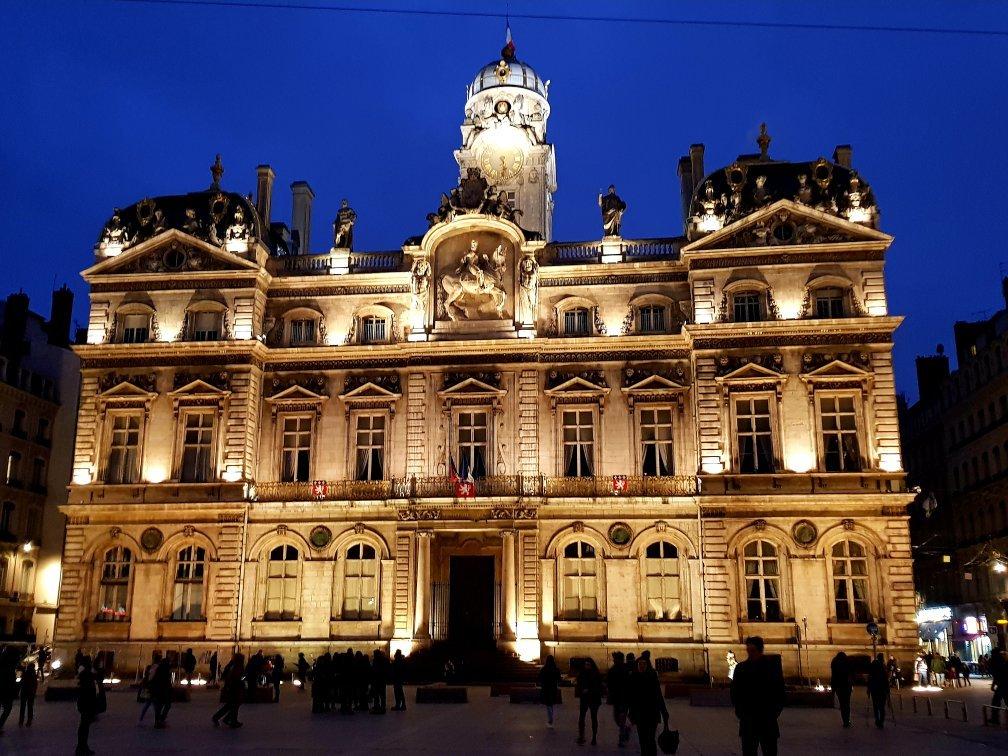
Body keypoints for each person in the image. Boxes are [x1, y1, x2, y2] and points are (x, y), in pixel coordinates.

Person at [730, 636, 784, 756]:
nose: (750, 653)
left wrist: (775, 711)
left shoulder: (771, 668)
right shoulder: (741, 668)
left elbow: (779, 691)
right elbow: (734, 692)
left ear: (760, 650)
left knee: (769, 751)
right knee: (749, 751)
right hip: (748, 719)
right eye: (748, 650)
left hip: (767, 718)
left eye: (752, 650)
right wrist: (740, 711)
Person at [628, 655, 669, 756]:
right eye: (639, 664)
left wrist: (664, 712)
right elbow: (631, 698)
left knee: (650, 739)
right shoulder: (634, 677)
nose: (641, 666)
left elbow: (658, 696)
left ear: (647, 665)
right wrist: (630, 713)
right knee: (642, 740)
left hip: (651, 713)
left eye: (644, 664)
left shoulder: (652, 677)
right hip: (639, 714)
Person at [212, 652, 245, 728]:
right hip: (235, 689)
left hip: (233, 688)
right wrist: (242, 681)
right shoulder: (237, 667)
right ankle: (231, 721)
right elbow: (236, 678)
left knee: (231, 705)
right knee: (234, 704)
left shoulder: (234, 666)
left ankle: (225, 719)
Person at [575, 658, 603, 745]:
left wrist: (588, 690)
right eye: (586, 664)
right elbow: (578, 685)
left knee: (593, 718)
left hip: (593, 698)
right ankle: (581, 736)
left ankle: (593, 737)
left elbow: (598, 686)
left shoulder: (594, 674)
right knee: (582, 717)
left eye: (588, 665)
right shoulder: (583, 674)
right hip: (586, 698)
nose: (587, 666)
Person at [76, 654, 99, 756]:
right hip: (87, 704)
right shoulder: (87, 675)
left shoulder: (85, 674)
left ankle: (82, 747)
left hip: (84, 704)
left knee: (84, 727)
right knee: (84, 727)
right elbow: (90, 691)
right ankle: (82, 748)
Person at [606, 651, 630, 747]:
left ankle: (621, 738)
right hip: (616, 697)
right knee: (616, 718)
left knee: (621, 717)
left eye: (615, 658)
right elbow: (609, 683)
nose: (614, 660)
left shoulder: (626, 669)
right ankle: (625, 729)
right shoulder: (612, 670)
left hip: (624, 697)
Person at [829, 652, 852, 728]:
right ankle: (847, 720)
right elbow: (850, 675)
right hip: (846, 686)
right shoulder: (847, 661)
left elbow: (833, 676)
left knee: (842, 704)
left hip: (839, 686)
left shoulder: (835, 662)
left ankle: (845, 721)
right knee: (847, 704)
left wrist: (833, 688)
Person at [150, 654, 173, 728]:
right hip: (163, 691)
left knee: (158, 707)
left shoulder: (158, 669)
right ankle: (160, 721)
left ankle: (158, 722)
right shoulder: (165, 671)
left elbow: (152, 679)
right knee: (166, 705)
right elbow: (167, 682)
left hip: (156, 691)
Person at [539, 655, 562, 727]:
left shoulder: (543, 669)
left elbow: (540, 678)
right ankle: (550, 719)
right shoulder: (556, 669)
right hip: (553, 688)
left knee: (548, 704)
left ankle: (550, 720)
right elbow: (559, 679)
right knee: (551, 704)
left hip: (546, 688)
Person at [867, 653, 889, 728]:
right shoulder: (883, 666)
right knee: (882, 706)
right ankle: (881, 721)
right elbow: (886, 679)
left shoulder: (872, 666)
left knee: (875, 705)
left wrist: (868, 689)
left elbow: (869, 678)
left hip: (874, 688)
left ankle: (877, 719)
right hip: (882, 688)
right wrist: (888, 689)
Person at [138, 652, 159, 723]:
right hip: (153, 688)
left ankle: (141, 719)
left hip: (150, 688)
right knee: (155, 705)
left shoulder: (151, 667)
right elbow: (151, 678)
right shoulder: (156, 668)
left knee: (149, 704)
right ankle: (157, 721)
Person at [0, 648, 17, 732]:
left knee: (7, 709)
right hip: (6, 691)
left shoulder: (7, 665)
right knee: (7, 709)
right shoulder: (10, 667)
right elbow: (11, 680)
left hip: (5, 691)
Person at [19, 661, 37, 727]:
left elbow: (21, 682)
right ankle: (29, 720)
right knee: (30, 706)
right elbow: (35, 684)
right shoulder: (33, 674)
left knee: (22, 707)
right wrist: (34, 691)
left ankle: (21, 721)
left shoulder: (25, 673)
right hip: (31, 692)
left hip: (24, 692)